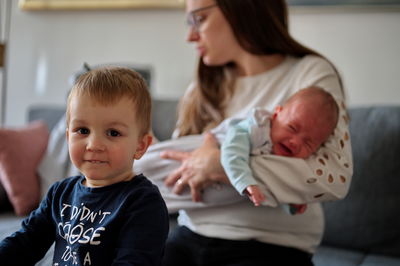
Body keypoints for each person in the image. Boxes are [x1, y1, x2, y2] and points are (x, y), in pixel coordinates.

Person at [137, 0, 353, 265]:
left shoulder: (310, 75)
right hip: (190, 234)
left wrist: (220, 165)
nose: (190, 35)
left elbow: (333, 177)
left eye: (199, 19)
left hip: (273, 244)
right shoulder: (201, 89)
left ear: (240, 8)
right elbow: (179, 173)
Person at [0, 67, 169, 265]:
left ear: (140, 146)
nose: (94, 145)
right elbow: (24, 242)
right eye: (82, 130)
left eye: (113, 133)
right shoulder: (60, 194)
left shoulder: (143, 202)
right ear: (68, 137)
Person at [221, 87, 339, 213]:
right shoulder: (254, 128)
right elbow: (231, 153)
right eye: (292, 128)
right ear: (276, 114)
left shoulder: (290, 163)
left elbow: (272, 187)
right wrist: (245, 182)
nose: (295, 142)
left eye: (308, 143)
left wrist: (290, 203)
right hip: (207, 146)